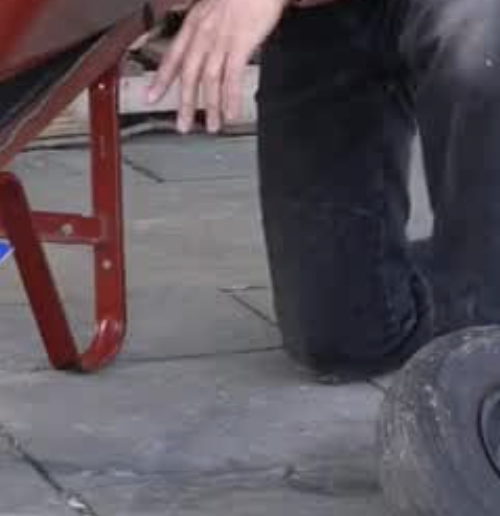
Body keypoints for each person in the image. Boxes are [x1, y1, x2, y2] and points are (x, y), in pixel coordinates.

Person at [148, 0, 500, 380]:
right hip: (324, 16)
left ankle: (483, 313)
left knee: (476, 43)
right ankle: (469, 267)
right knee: (346, 340)